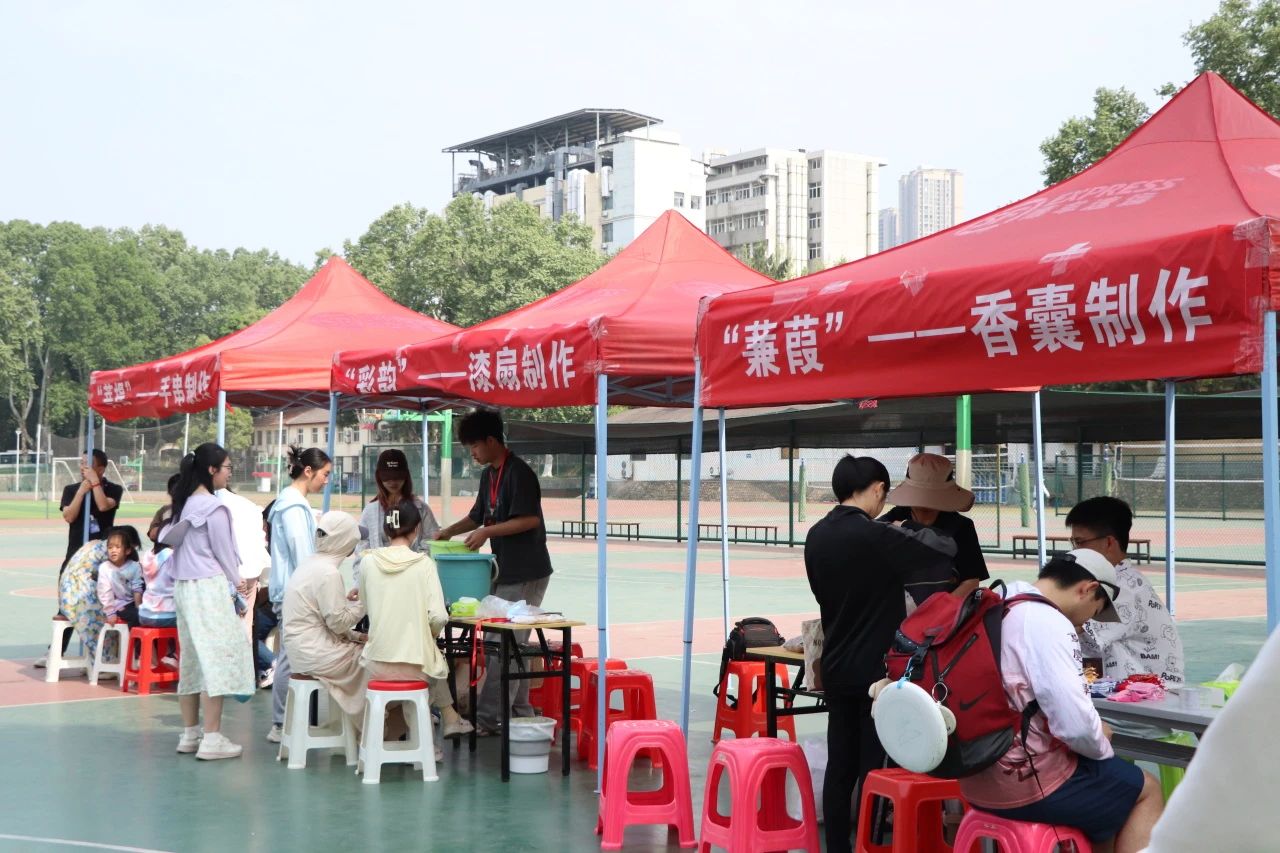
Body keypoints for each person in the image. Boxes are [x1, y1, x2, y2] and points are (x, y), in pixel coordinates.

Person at [959, 550, 1164, 852]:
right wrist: (1101, 739)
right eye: (1095, 610)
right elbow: (1076, 727)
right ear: (1088, 589)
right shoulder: (1047, 622)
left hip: (973, 778)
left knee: (1109, 792)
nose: (1089, 621)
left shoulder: (999, 599)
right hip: (1026, 785)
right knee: (1145, 789)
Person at [803, 454, 958, 853]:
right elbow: (942, 548)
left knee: (840, 765)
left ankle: (837, 847)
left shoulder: (816, 535)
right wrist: (903, 529)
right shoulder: (874, 534)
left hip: (835, 664)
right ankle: (869, 844)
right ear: (876, 489)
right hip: (877, 671)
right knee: (873, 766)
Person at [435, 408, 553, 735]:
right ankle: (520, 713)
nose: (472, 453)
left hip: (527, 571)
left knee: (504, 645)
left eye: (474, 446)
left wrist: (488, 532)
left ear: (491, 440)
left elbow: (529, 519)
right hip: (503, 571)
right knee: (509, 645)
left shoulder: (519, 473)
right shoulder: (489, 475)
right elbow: (477, 516)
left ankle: (490, 718)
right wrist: (449, 531)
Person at [160, 443, 255, 761]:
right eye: (227, 467)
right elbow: (225, 552)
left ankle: (190, 734)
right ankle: (212, 737)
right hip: (209, 588)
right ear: (212, 470)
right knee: (216, 661)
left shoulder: (183, 504)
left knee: (192, 662)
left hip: (184, 588)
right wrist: (238, 582)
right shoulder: (214, 508)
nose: (229, 473)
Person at [363, 498, 473, 743]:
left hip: (375, 663)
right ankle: (441, 728)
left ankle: (443, 725)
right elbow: (439, 616)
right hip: (415, 667)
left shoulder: (368, 561)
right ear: (416, 529)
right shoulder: (424, 564)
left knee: (425, 652)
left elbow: (365, 605)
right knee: (428, 654)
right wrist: (429, 633)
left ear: (385, 530)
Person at [1066, 496, 1184, 686]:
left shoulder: (1123, 588)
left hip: (1149, 696)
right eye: (1073, 542)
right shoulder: (1111, 580)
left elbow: (1080, 635)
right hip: (1131, 691)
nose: (1074, 551)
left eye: (1080, 542)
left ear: (1109, 543)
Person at [265, 446, 330, 743]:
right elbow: (302, 554)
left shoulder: (293, 503)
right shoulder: (292, 507)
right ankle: (281, 723)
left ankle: (291, 720)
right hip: (296, 593)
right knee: (290, 659)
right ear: (308, 471)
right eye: (325, 474)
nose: (326, 480)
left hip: (294, 591)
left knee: (294, 657)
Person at [281, 511, 369, 730]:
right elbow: (338, 623)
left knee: (364, 652)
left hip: (301, 651)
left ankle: (353, 729)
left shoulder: (310, 564)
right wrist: (366, 601)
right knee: (374, 662)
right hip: (316, 653)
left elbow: (320, 619)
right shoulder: (328, 573)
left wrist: (356, 636)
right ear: (346, 540)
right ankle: (373, 729)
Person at [880, 452, 989, 601]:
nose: (926, 503)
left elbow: (971, 581)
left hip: (946, 611)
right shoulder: (890, 520)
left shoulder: (962, 527)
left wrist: (940, 609)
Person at [353, 448, 439, 584]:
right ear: (379, 477)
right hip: (379, 581)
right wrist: (358, 585)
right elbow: (361, 551)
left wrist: (414, 562)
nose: (393, 482)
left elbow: (432, 541)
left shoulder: (421, 509)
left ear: (406, 475)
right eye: (388, 477)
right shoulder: (370, 511)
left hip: (412, 580)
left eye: (398, 477)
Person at [59, 449, 123, 570]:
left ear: (101, 469)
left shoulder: (114, 489)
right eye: (82, 463)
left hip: (101, 552)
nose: (84, 467)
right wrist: (81, 492)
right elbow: (69, 517)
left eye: (88, 464)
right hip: (76, 552)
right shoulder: (70, 490)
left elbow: (103, 506)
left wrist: (94, 481)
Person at [96, 526, 144, 629]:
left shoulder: (134, 566)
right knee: (136, 617)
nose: (113, 550)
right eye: (110, 548)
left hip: (132, 603)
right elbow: (105, 592)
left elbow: (137, 589)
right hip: (117, 605)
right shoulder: (105, 568)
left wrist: (139, 608)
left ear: (127, 551)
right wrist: (110, 612)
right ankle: (133, 638)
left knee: (145, 615)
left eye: (117, 547)